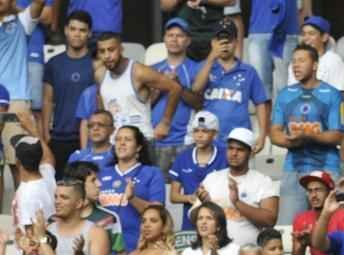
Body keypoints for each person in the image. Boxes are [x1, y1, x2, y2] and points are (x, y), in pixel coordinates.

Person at [269, 44, 344, 225]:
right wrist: (291, 142)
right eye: (293, 61)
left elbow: (339, 136)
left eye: (301, 61)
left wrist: (309, 137)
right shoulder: (284, 95)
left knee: (331, 226)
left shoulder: (333, 94)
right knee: (290, 226)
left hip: (327, 167)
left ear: (315, 65)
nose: (296, 65)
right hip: (293, 168)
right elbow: (274, 133)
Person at [93, 31, 181, 145]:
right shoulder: (100, 74)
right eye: (102, 51)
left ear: (121, 49)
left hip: (141, 141)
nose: (107, 56)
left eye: (111, 50)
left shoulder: (138, 71)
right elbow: (102, 106)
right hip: (113, 142)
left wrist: (165, 123)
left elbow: (175, 88)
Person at [190, 24, 267, 154]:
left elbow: (260, 103)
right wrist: (211, 58)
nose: (224, 45)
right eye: (220, 41)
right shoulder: (203, 67)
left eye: (229, 41)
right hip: (209, 138)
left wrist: (263, 134)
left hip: (239, 138)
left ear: (236, 42)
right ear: (213, 42)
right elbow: (196, 88)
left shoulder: (248, 71)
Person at [197, 128, 279, 247]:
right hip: (214, 250)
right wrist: (205, 204)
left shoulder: (263, 181)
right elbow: (193, 217)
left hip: (249, 254)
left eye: (240, 150)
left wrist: (237, 202)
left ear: (251, 153)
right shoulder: (211, 178)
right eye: (230, 148)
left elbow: (270, 220)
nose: (234, 153)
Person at [149, 19, 207, 176]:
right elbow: (144, 104)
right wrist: (161, 86)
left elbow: (199, 103)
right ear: (164, 39)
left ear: (188, 41)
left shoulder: (197, 68)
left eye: (180, 36)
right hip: (156, 140)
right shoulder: (152, 69)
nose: (174, 39)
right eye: (170, 35)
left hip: (185, 141)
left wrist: (178, 86)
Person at [97, 126, 166, 253]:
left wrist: (133, 198)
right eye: (118, 139)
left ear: (138, 147)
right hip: (103, 246)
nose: (121, 143)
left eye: (127, 139)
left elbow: (158, 213)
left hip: (136, 245)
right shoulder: (101, 173)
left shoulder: (152, 173)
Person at [41, 10, 94, 174]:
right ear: (65, 30)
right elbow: (47, 100)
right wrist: (45, 134)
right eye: (73, 29)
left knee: (87, 185)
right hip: (59, 137)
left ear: (89, 33)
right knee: (59, 186)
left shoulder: (96, 64)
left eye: (82, 30)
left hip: (88, 137)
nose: (77, 34)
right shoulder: (53, 63)